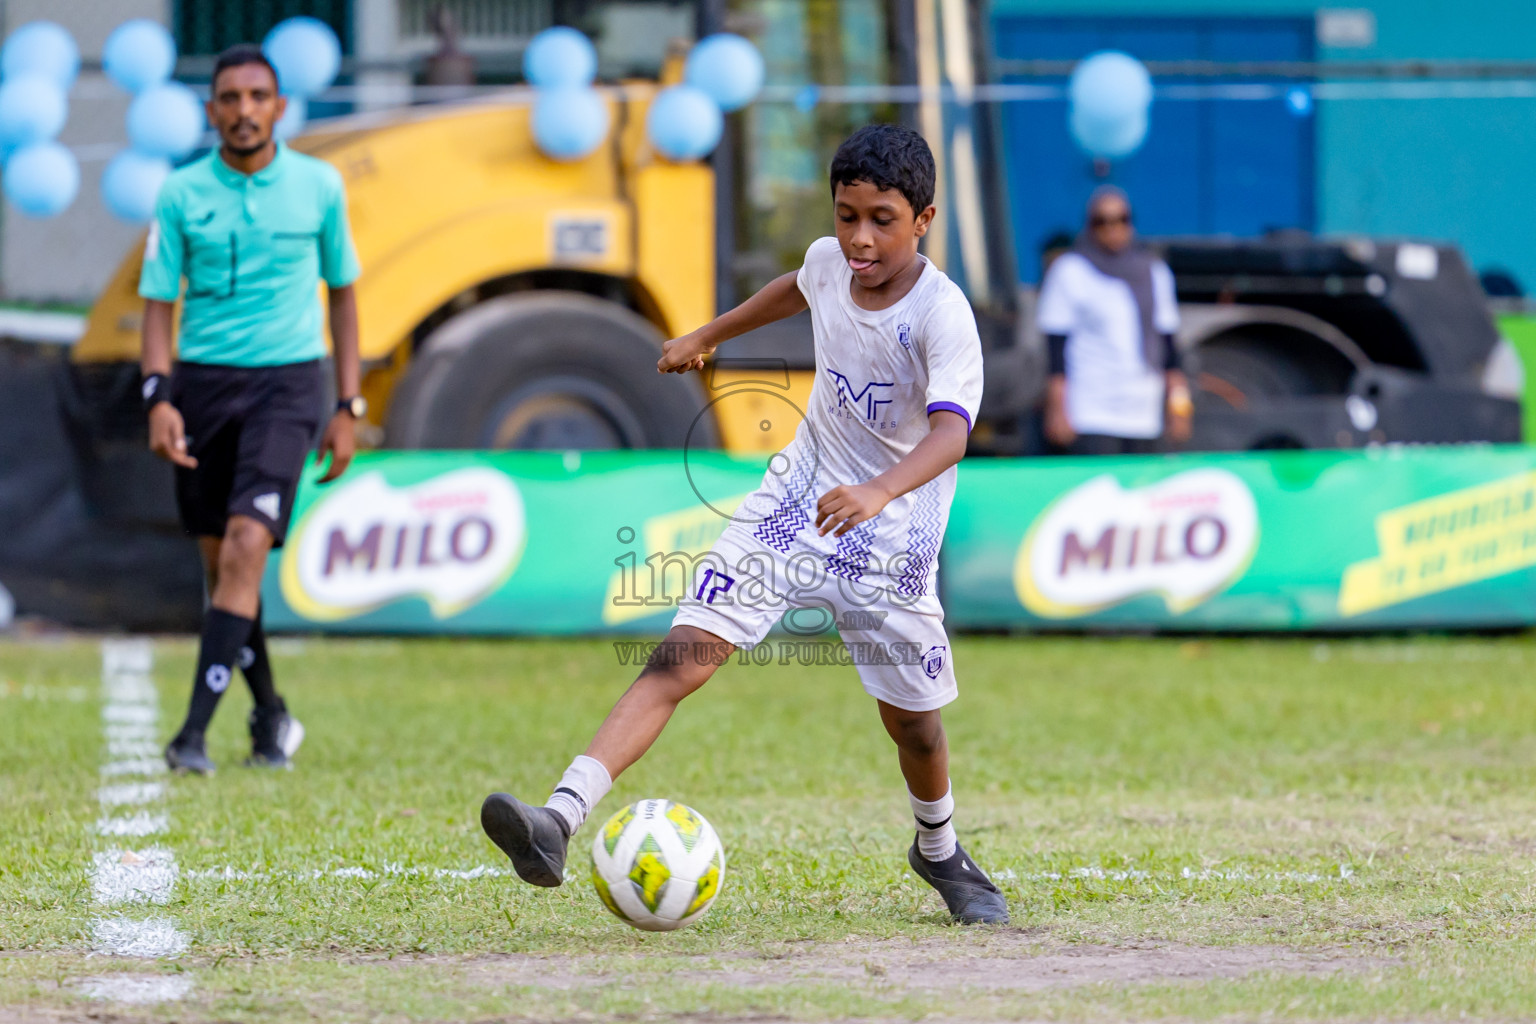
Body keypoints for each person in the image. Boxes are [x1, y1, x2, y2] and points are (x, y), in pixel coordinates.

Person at [480, 123, 1008, 925]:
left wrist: (875, 491)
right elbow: (799, 285)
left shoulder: (942, 316)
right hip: (793, 504)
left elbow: (952, 433)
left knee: (916, 727)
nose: (859, 239)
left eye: (882, 220)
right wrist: (707, 336)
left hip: (892, 538)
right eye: (846, 215)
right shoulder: (832, 261)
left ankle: (938, 850)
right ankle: (557, 818)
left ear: (924, 219)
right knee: (679, 657)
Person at [140, 44, 364, 774]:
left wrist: (347, 402)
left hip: (288, 386)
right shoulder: (178, 194)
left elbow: (345, 292)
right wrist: (159, 397)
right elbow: (157, 306)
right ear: (212, 112)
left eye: (257, 97)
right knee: (224, 571)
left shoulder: (320, 186)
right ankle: (270, 714)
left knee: (243, 548)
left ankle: (191, 737)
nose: (244, 111)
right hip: (202, 386)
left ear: (279, 107)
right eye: (230, 99)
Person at [1037, 186, 1191, 454]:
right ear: (1089, 226)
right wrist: (1057, 409)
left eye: (1121, 219)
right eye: (1101, 221)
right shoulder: (1071, 270)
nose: (1112, 228)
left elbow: (1169, 348)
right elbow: (1055, 350)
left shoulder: (1153, 272)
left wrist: (1179, 406)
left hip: (1144, 413)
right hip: (1092, 413)